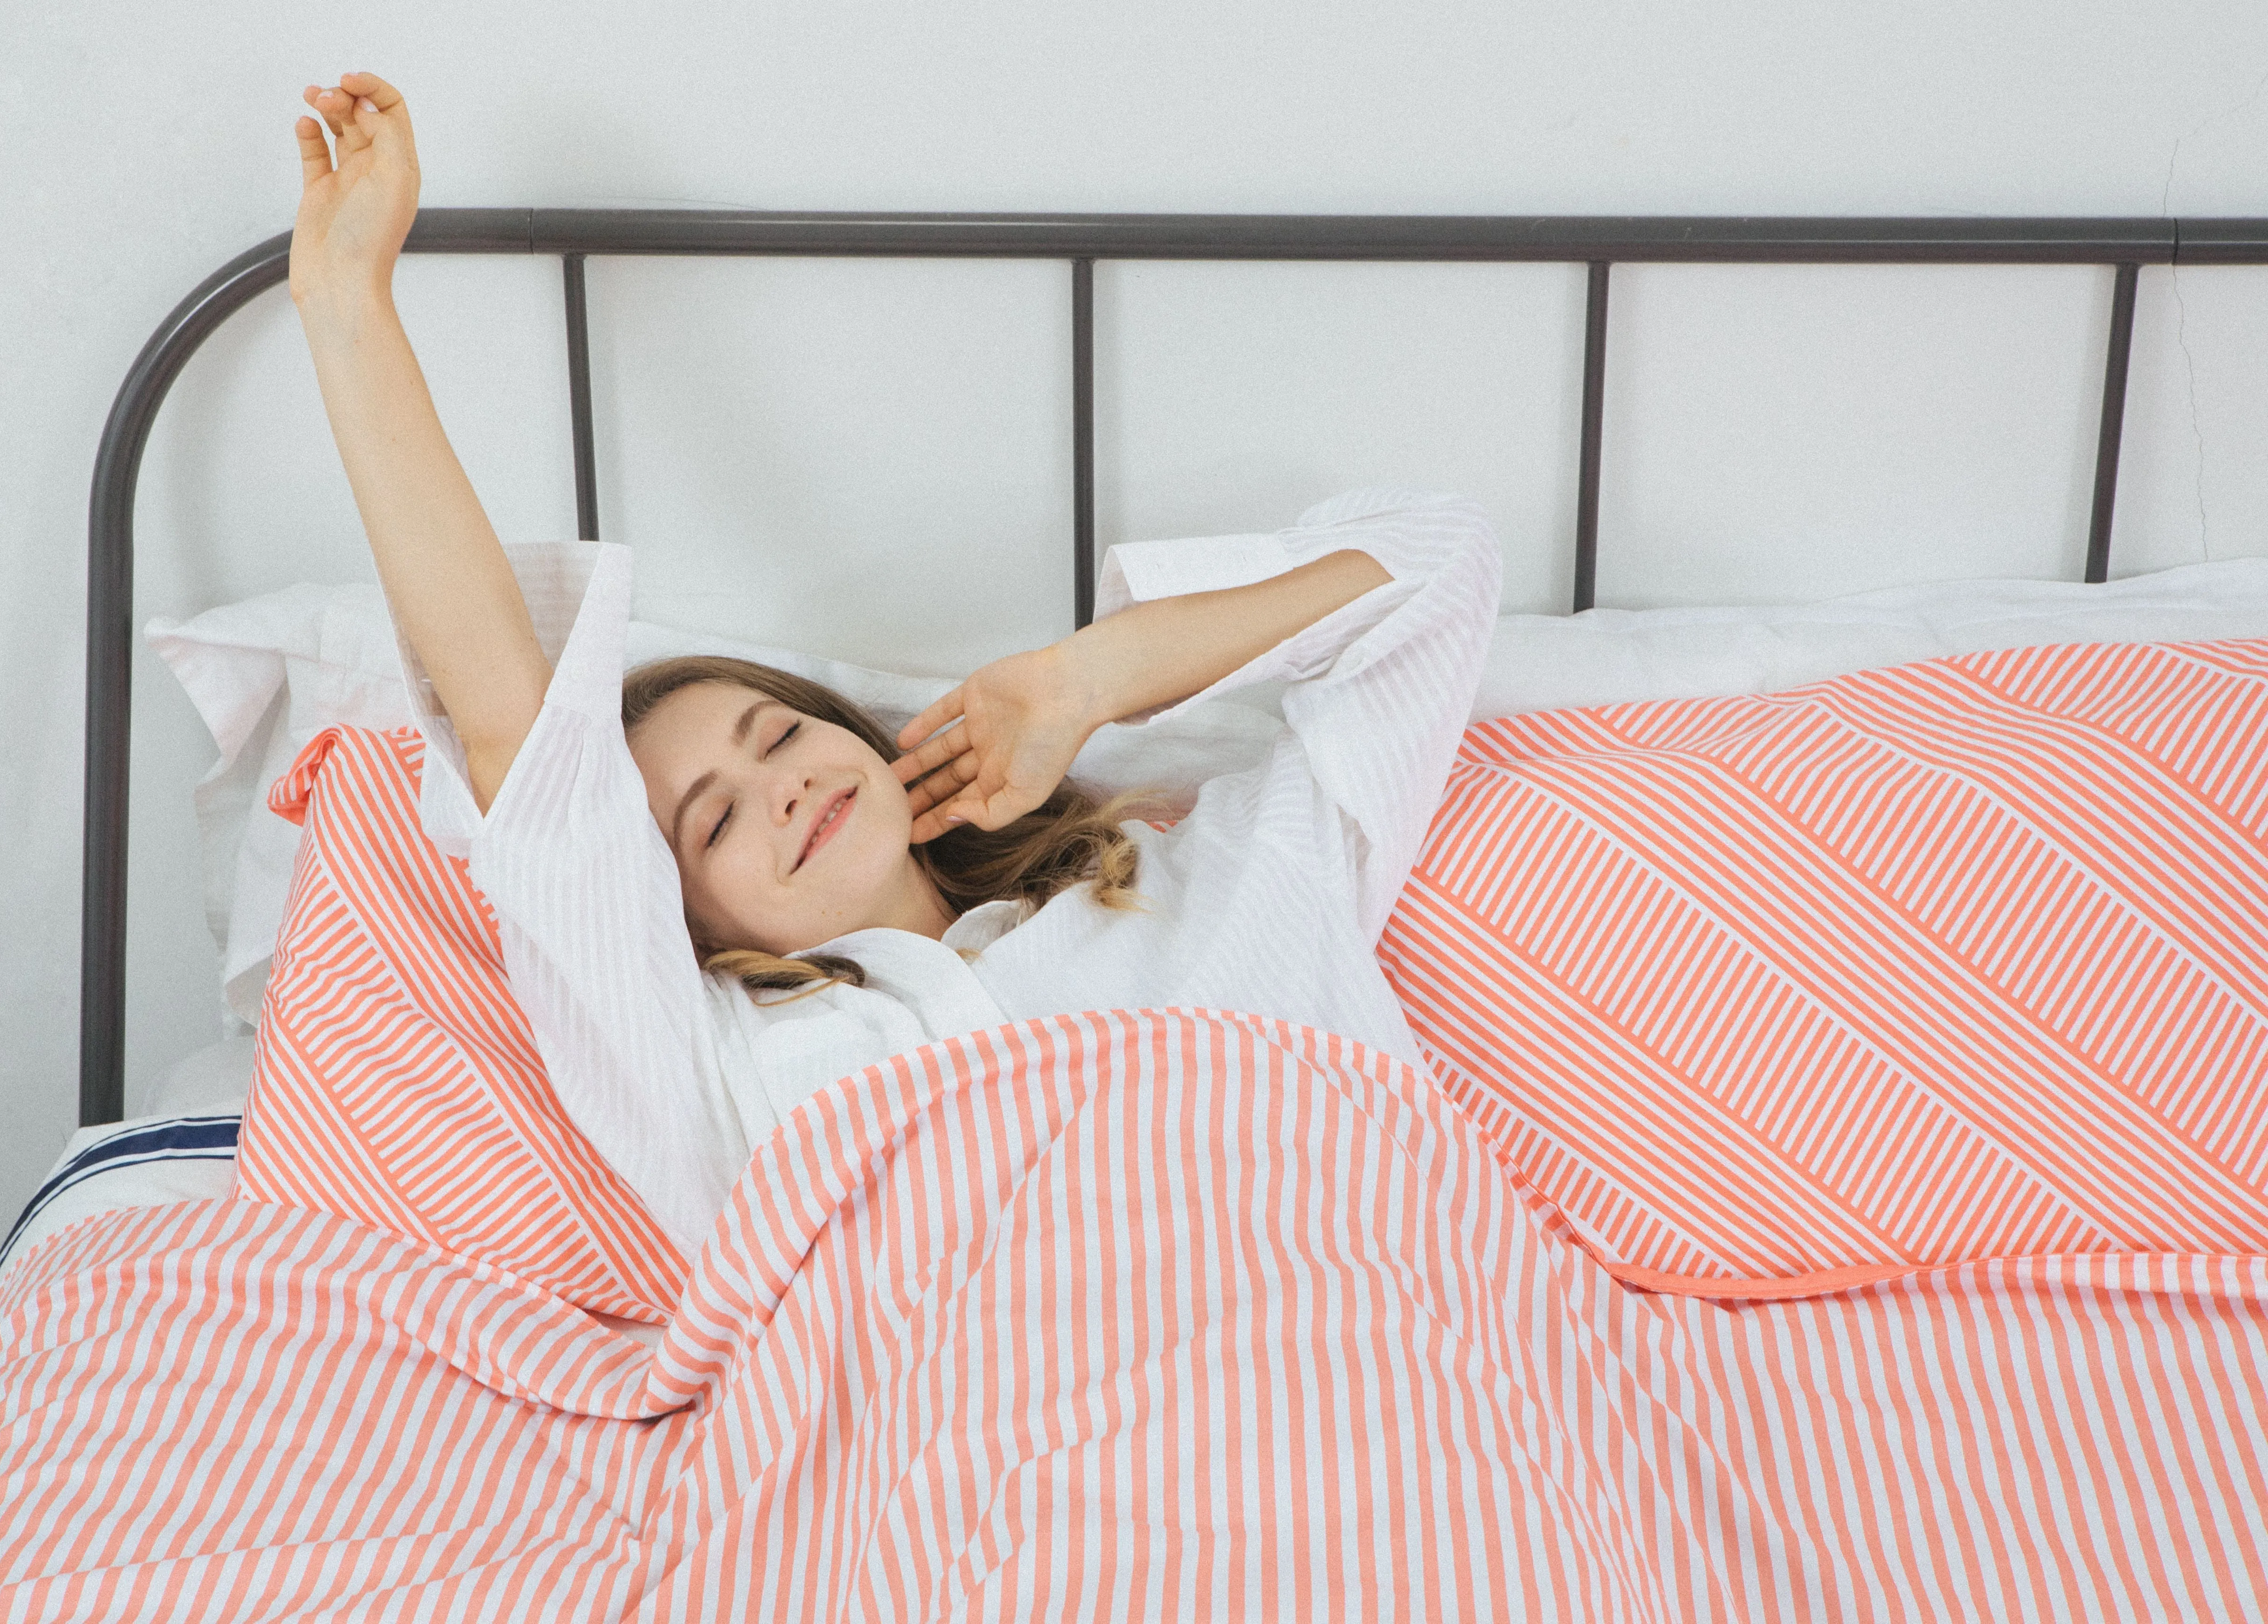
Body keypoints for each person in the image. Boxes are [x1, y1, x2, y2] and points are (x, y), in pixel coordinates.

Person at [290, 73, 1505, 1250]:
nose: (781, 791)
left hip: (1357, 1344)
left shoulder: (1223, 878)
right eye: (712, 826)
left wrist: (1090, 679)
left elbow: (1435, 572)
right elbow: (513, 732)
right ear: (693, 929)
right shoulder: (717, 1067)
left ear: (858, 737)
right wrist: (348, 303)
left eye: (779, 737)